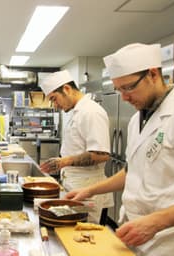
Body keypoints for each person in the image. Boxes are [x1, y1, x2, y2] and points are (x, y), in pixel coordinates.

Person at [65, 43, 174, 256]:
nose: (124, 97)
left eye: (129, 87)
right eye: (118, 89)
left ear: (153, 74)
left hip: (169, 239)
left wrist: (156, 223)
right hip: (132, 230)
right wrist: (90, 190)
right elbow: (131, 172)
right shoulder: (137, 119)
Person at [39, 70, 113, 223]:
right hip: (75, 186)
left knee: (86, 236)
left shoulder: (91, 112)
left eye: (54, 99)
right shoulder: (77, 112)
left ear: (66, 89)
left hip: (89, 190)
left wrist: (64, 162)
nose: (55, 105)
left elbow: (101, 154)